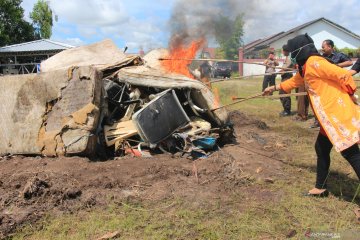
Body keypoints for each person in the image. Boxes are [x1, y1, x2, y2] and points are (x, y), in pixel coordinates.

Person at [263, 34, 360, 197]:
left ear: (300, 51)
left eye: (292, 52)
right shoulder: (307, 66)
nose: (291, 56)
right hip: (327, 118)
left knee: (350, 153)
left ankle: (320, 187)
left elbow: (343, 75)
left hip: (336, 115)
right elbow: (295, 81)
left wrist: (350, 95)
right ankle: (320, 188)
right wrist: (273, 88)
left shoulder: (316, 62)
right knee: (321, 148)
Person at [308, 40, 354, 128]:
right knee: (321, 102)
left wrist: (337, 66)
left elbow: (350, 62)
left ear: (329, 47)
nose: (322, 49)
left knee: (337, 103)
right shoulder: (322, 57)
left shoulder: (339, 55)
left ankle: (340, 121)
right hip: (325, 84)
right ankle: (319, 122)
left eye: (323, 47)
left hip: (337, 84)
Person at [278, 44, 294, 117]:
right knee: (281, 93)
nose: (282, 52)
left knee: (284, 93)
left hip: (287, 77)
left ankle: (287, 111)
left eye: (283, 50)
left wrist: (280, 71)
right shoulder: (287, 58)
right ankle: (285, 109)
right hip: (284, 76)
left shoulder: (290, 58)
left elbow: (286, 68)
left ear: (285, 51)